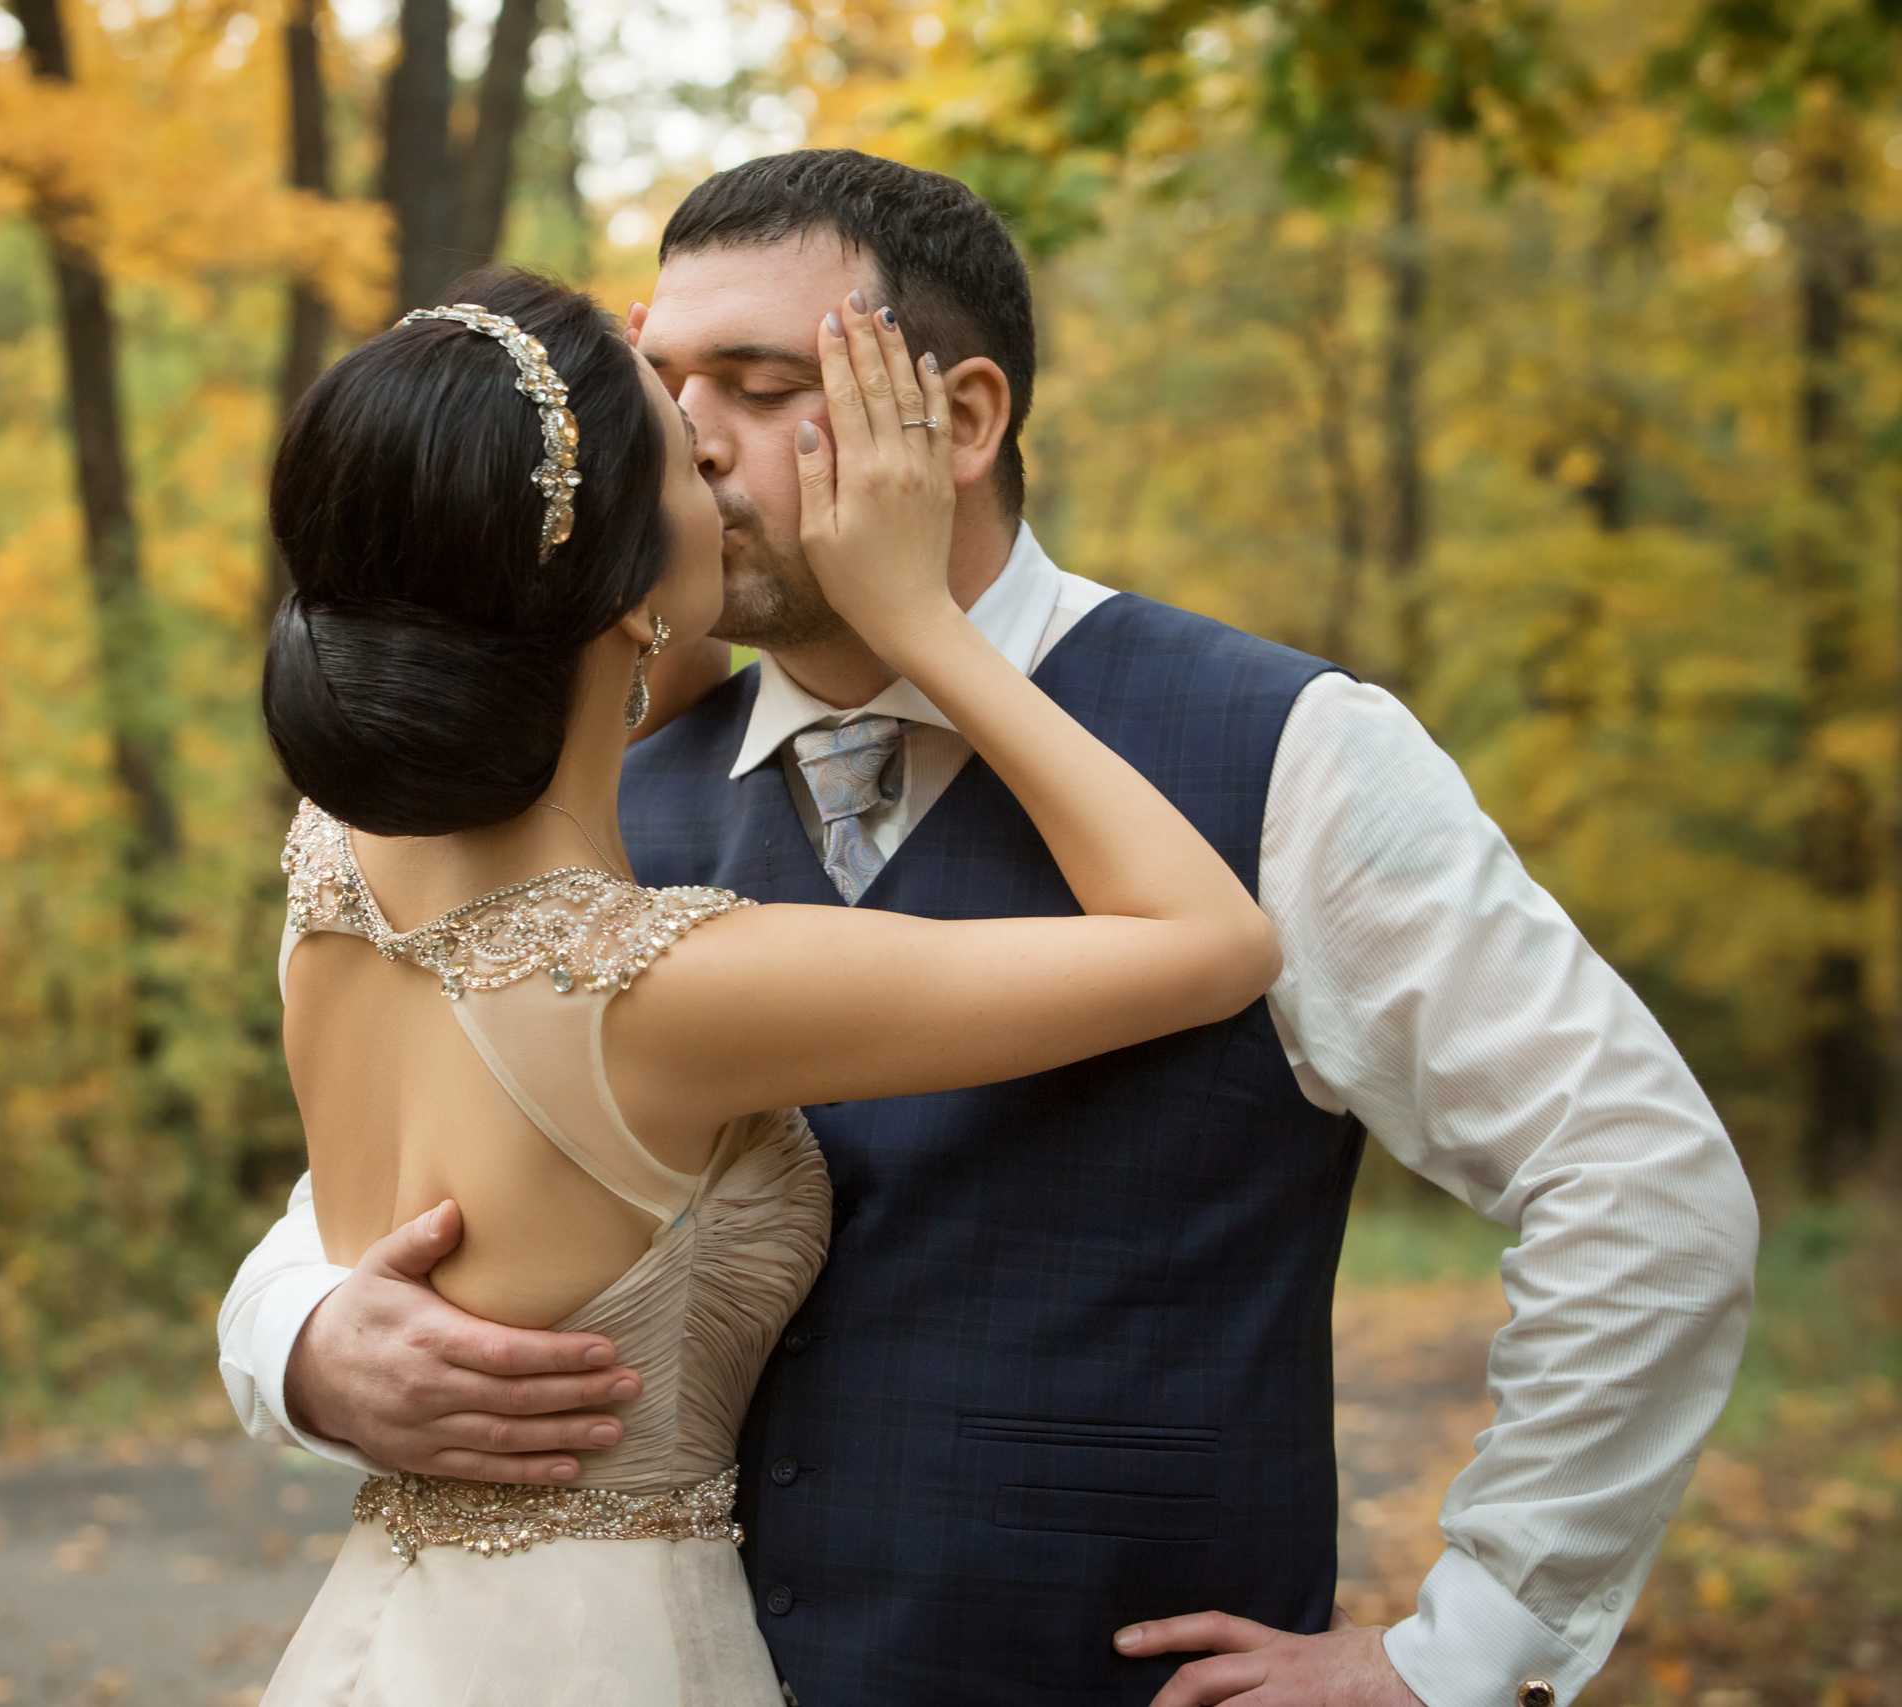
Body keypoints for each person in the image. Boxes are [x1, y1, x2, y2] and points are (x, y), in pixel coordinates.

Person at [226, 153, 1760, 1707]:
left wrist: (1463, 1657)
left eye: (758, 384)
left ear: (958, 423)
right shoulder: (591, 796)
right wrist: (303, 1342)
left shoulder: (1284, 747)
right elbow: (392, 1166)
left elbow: (1642, 1185)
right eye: (666, 383)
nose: (688, 436)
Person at [251, 266, 1283, 1705]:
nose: (718, 454)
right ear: (616, 592)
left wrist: (569, 431)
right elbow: (1212, 943)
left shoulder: (333, 863)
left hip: (395, 1639)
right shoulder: (659, 983)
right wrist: (923, 622)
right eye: (681, 443)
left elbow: (564, 697)